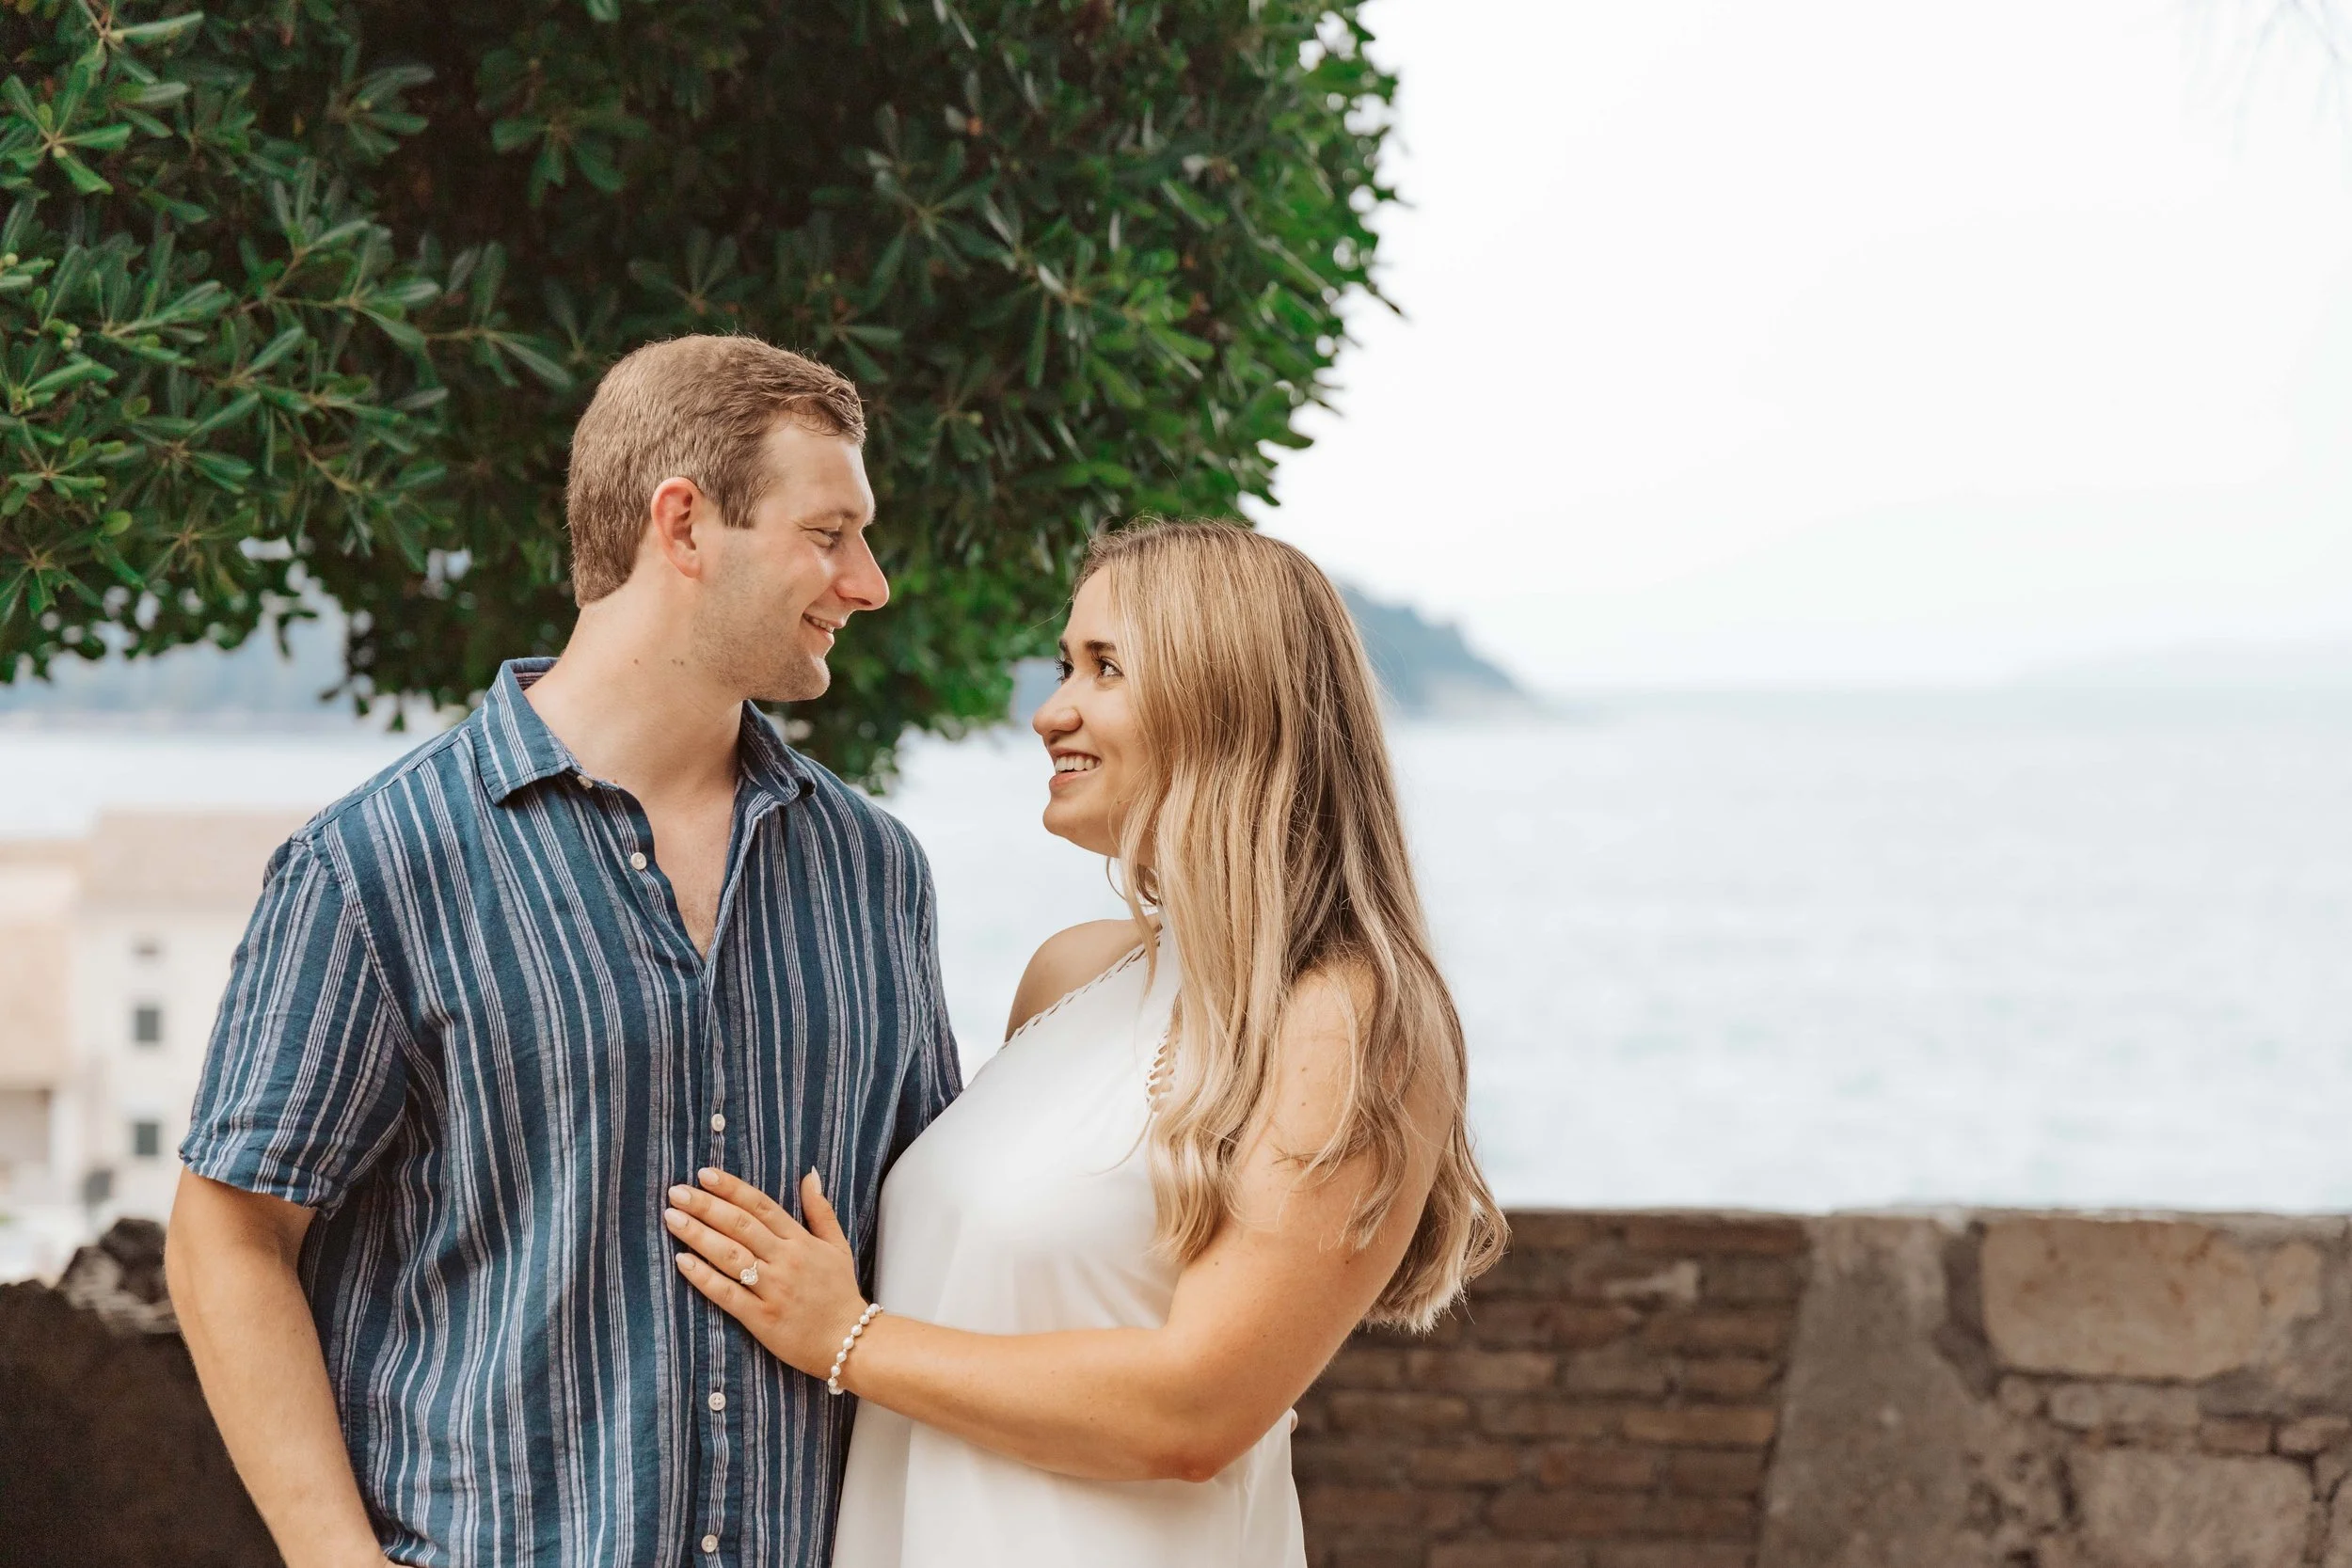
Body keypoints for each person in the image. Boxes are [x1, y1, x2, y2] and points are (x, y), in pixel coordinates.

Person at [164, 335, 961, 1568]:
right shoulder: (379, 861)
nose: (870, 582)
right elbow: (230, 1229)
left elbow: (929, 1224)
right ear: (684, 524)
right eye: (830, 531)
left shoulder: (875, 871)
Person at [663, 519, 1507, 1567]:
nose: (1051, 708)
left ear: (1227, 697)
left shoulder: (1345, 1018)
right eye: (1066, 664)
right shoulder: (1072, 973)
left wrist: (844, 1334)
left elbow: (1195, 1412)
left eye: (1104, 667)